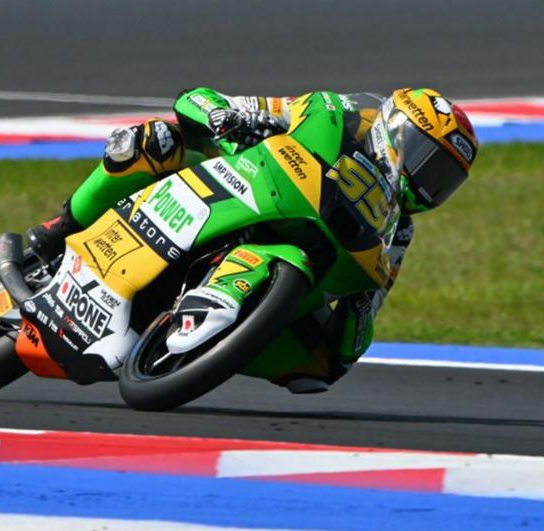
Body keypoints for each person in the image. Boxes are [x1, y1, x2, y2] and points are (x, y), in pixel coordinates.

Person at [26, 86, 478, 393]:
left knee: (321, 369)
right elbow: (205, 99)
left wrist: (363, 299)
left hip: (306, 249)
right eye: (427, 163)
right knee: (154, 140)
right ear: (397, 129)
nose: (428, 185)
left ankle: (210, 334)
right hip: (248, 182)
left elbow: (358, 333)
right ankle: (61, 228)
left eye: (442, 180)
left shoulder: (397, 230)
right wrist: (231, 117)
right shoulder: (331, 110)